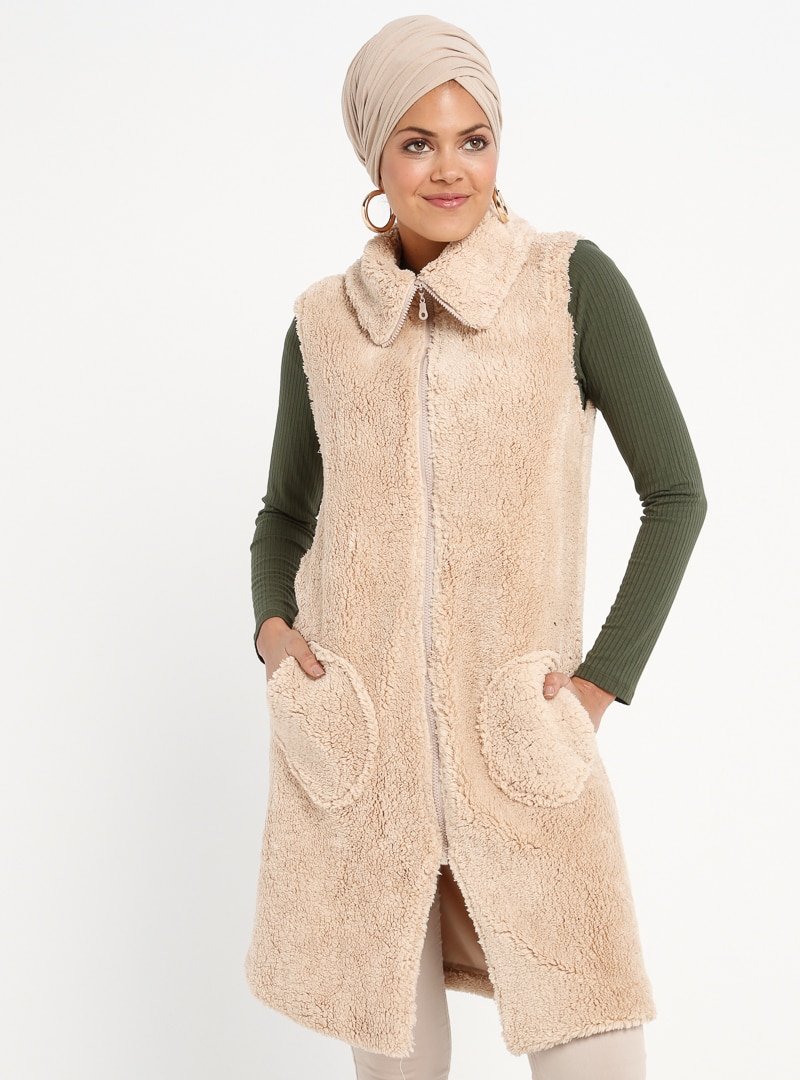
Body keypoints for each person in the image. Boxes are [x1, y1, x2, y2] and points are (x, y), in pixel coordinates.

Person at [245, 15, 707, 1080]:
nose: (449, 169)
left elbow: (677, 494)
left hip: (522, 742)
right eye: (417, 143)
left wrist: (595, 688)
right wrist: (273, 632)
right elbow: (282, 513)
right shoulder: (323, 324)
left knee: (594, 1043)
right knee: (396, 1062)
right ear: (374, 159)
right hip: (363, 759)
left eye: (473, 139)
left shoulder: (567, 283)